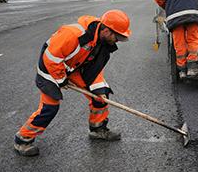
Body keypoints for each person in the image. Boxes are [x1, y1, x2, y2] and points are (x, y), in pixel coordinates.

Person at [14, 10, 131, 156]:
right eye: (118, 36)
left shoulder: (100, 40)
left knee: (101, 94)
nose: (118, 40)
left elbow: (94, 65)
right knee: (50, 108)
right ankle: (23, 139)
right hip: (50, 68)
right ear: (106, 30)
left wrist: (95, 88)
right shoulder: (74, 34)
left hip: (74, 67)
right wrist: (61, 79)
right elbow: (51, 58)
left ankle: (97, 128)